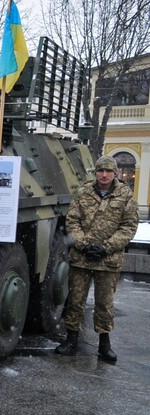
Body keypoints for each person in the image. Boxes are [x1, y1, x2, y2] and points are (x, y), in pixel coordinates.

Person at [56, 155, 138, 362]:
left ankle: (104, 344)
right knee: (75, 301)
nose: (104, 175)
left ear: (115, 173)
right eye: (101, 171)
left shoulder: (125, 195)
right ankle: (71, 339)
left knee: (104, 304)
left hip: (107, 260)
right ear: (96, 173)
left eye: (109, 171)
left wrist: (105, 248)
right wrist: (83, 245)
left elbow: (128, 227)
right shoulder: (84, 192)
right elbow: (72, 220)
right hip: (81, 257)